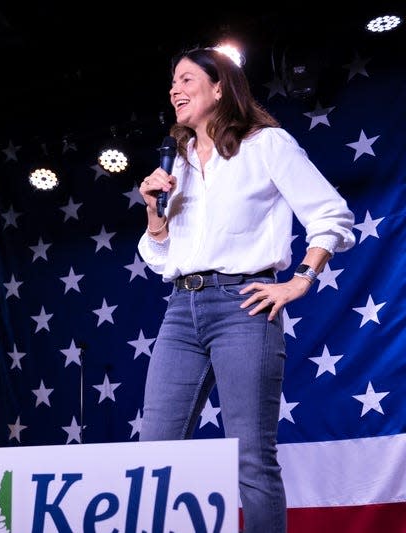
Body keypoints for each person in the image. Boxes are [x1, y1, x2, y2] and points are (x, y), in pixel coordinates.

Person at [136, 47, 355, 533]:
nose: (175, 89)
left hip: (243, 307)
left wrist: (302, 278)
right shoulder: (181, 160)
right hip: (180, 310)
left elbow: (332, 216)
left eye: (187, 79)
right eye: (172, 81)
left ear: (220, 87)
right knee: (154, 450)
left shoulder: (267, 145)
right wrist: (154, 214)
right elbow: (163, 258)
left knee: (251, 458)